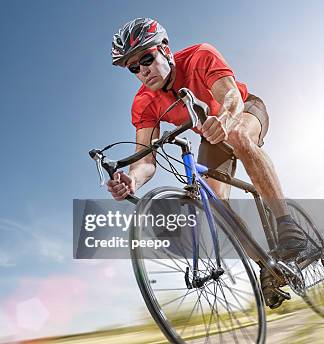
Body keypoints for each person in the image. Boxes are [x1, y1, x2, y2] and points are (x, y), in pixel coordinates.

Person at [106, 17, 307, 308]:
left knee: (238, 134)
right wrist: (131, 180)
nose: (142, 70)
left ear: (164, 48)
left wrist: (224, 120)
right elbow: (145, 159)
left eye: (146, 59)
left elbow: (231, 97)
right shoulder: (144, 102)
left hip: (243, 110)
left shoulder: (200, 55)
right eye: (133, 67)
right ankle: (268, 266)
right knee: (213, 202)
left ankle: (288, 225)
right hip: (211, 135)